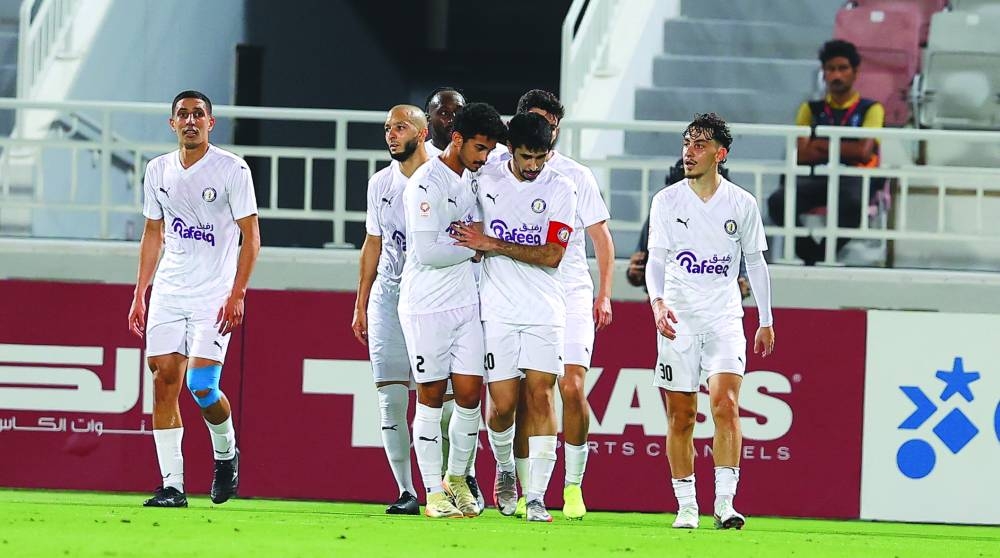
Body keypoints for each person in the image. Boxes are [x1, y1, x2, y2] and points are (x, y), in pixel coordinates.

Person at [128, 90, 260, 508]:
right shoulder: (157, 170)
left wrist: (237, 293)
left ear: (210, 122)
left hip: (213, 293)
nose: (190, 121)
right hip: (169, 290)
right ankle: (172, 486)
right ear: (172, 123)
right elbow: (154, 232)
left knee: (201, 385)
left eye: (198, 114)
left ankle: (226, 454)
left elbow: (251, 238)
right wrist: (140, 291)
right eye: (182, 115)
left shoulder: (231, 169)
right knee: (164, 380)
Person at [645, 113, 774, 530]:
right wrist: (658, 302)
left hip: (724, 316)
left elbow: (755, 262)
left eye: (699, 144)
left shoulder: (742, 203)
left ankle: (725, 503)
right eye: (686, 142)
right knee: (681, 416)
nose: (689, 150)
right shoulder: (666, 201)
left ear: (720, 153)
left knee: (726, 404)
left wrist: (765, 320)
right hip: (678, 319)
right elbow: (657, 261)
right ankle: (685, 505)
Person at [451, 112, 577, 523]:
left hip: (544, 309)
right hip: (498, 310)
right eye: (527, 156)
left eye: (542, 157)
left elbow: (552, 255)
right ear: (510, 149)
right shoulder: (486, 178)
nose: (534, 166)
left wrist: (492, 242)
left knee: (541, 395)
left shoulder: (562, 187)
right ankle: (505, 469)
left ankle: (537, 496)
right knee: (502, 406)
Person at [399, 102, 506, 518]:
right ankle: (432, 492)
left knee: (468, 395)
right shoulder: (425, 182)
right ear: (457, 139)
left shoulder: (474, 181)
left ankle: (457, 478)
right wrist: (475, 250)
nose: (483, 157)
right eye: (479, 148)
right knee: (429, 397)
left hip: (466, 303)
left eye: (489, 150)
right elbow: (427, 251)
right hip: (426, 306)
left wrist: (476, 243)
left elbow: (479, 232)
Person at [512, 89, 614, 520]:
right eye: (537, 122)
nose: (544, 133)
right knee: (524, 395)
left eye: (551, 127)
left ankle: (572, 486)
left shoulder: (576, 175)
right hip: (521, 291)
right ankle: (524, 489)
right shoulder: (500, 169)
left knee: (571, 386)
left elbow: (601, 239)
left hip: (569, 289)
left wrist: (604, 293)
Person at [352, 104, 432, 515]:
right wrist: (361, 302)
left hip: (431, 300)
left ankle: (448, 482)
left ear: (421, 132)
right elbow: (373, 243)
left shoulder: (443, 176)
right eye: (387, 127)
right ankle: (406, 491)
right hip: (387, 297)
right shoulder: (378, 183)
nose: (390, 134)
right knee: (390, 399)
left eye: (399, 127)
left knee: (440, 401)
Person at [767, 39, 885, 265]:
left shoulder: (871, 109)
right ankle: (813, 254)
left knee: (852, 204)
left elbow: (863, 152)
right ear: (824, 72)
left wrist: (821, 145)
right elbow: (801, 154)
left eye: (843, 68)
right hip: (816, 178)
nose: (837, 75)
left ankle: (821, 256)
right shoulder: (810, 109)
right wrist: (843, 148)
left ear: (855, 72)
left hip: (853, 178)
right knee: (778, 201)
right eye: (831, 69)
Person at [629, 160, 750, 300]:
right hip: (669, 306)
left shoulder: (732, 220)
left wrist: (741, 283)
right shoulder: (661, 215)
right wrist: (634, 273)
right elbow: (643, 271)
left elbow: (744, 274)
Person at [424, 87, 466, 157]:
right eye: (444, 113)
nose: (453, 119)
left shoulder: (484, 158)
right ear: (428, 118)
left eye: (459, 112)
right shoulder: (414, 159)